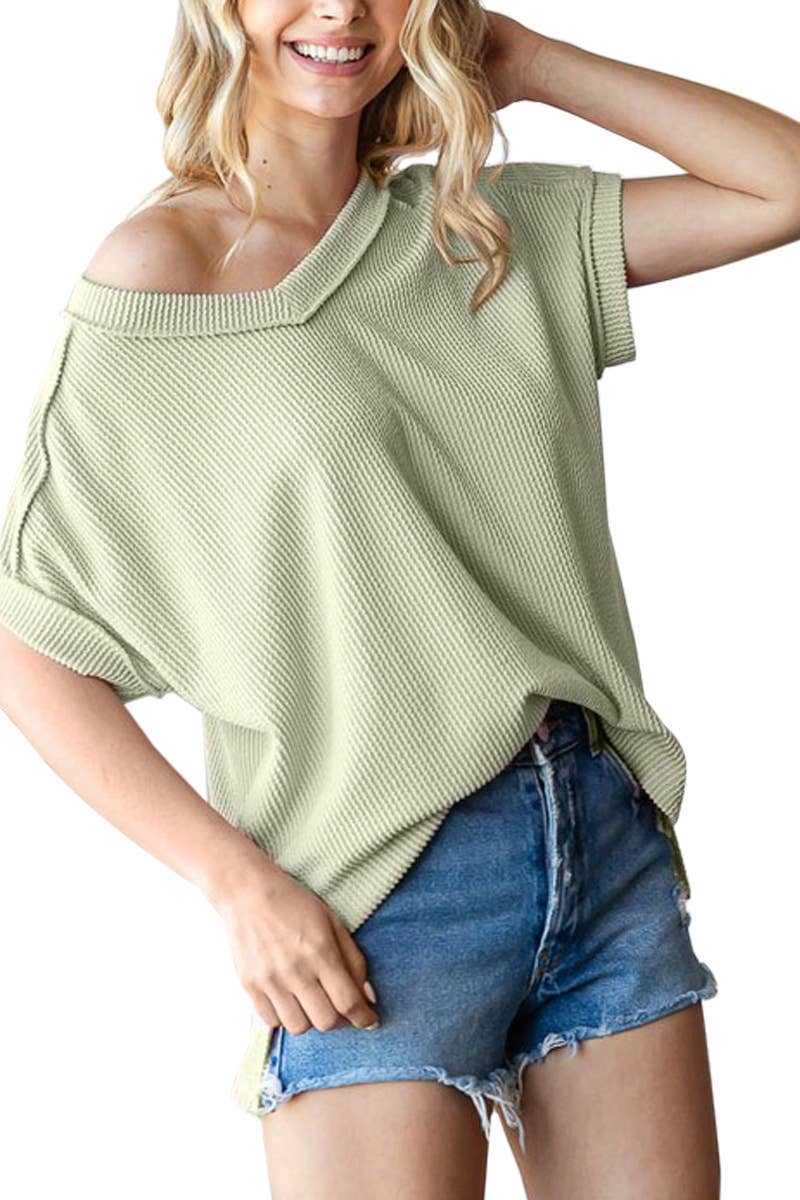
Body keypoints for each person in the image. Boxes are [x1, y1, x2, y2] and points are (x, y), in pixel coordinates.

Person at [1, 1, 798, 1196]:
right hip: (374, 891)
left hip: (596, 838)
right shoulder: (163, 273)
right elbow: (31, 638)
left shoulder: (484, 228)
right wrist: (236, 882)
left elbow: (779, 184)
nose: (339, 9)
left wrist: (524, 61)